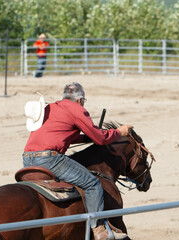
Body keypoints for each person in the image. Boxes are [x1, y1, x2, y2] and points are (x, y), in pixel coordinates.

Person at [23, 82, 132, 240]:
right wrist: (119, 132)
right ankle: (99, 229)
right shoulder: (77, 109)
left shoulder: (51, 107)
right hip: (49, 159)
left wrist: (88, 137)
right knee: (93, 184)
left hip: (27, 159)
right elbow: (101, 138)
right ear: (80, 100)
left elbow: (66, 135)